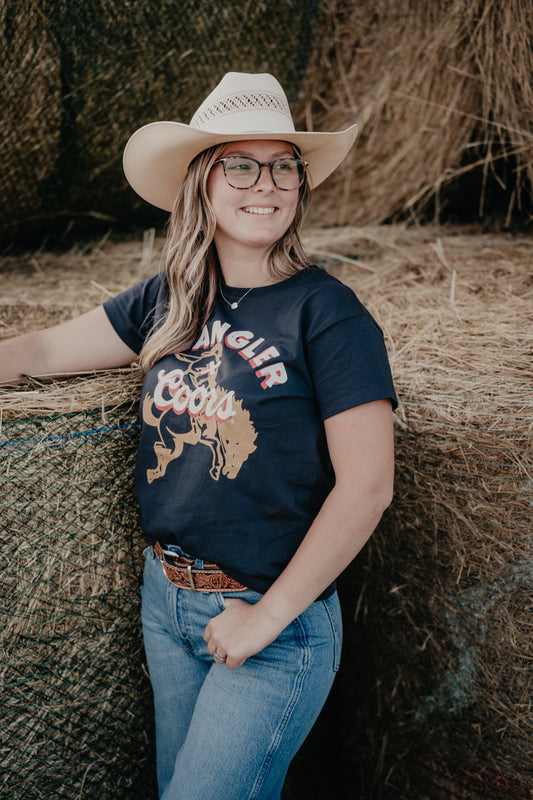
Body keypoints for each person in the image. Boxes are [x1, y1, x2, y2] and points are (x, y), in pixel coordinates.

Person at [0, 72, 397, 799]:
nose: (265, 184)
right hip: (167, 602)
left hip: (272, 618)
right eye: (239, 165)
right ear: (201, 185)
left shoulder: (327, 314)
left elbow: (368, 485)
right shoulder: (169, 297)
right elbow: (46, 354)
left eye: (283, 166)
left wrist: (268, 617)